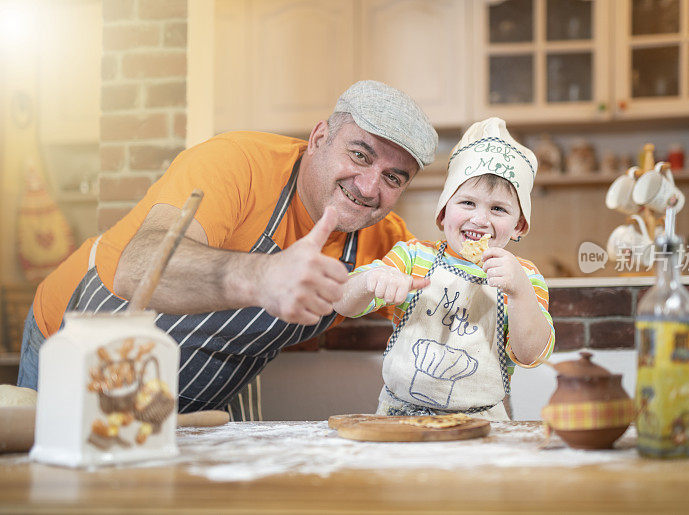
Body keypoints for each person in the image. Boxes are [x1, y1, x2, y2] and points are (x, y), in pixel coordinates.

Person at [17, 80, 438, 421]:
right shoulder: (236, 164)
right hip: (75, 346)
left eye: (393, 178)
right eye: (359, 155)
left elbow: (454, 281)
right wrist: (264, 277)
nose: (368, 188)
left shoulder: (383, 243)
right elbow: (139, 266)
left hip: (199, 399)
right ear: (319, 137)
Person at [333, 117, 555, 421]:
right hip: (400, 418)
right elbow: (343, 301)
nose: (480, 219)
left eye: (498, 209)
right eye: (467, 203)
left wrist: (519, 293)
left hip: (482, 423)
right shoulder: (413, 257)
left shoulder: (525, 277)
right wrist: (371, 281)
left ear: (519, 225)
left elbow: (531, 355)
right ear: (443, 213)